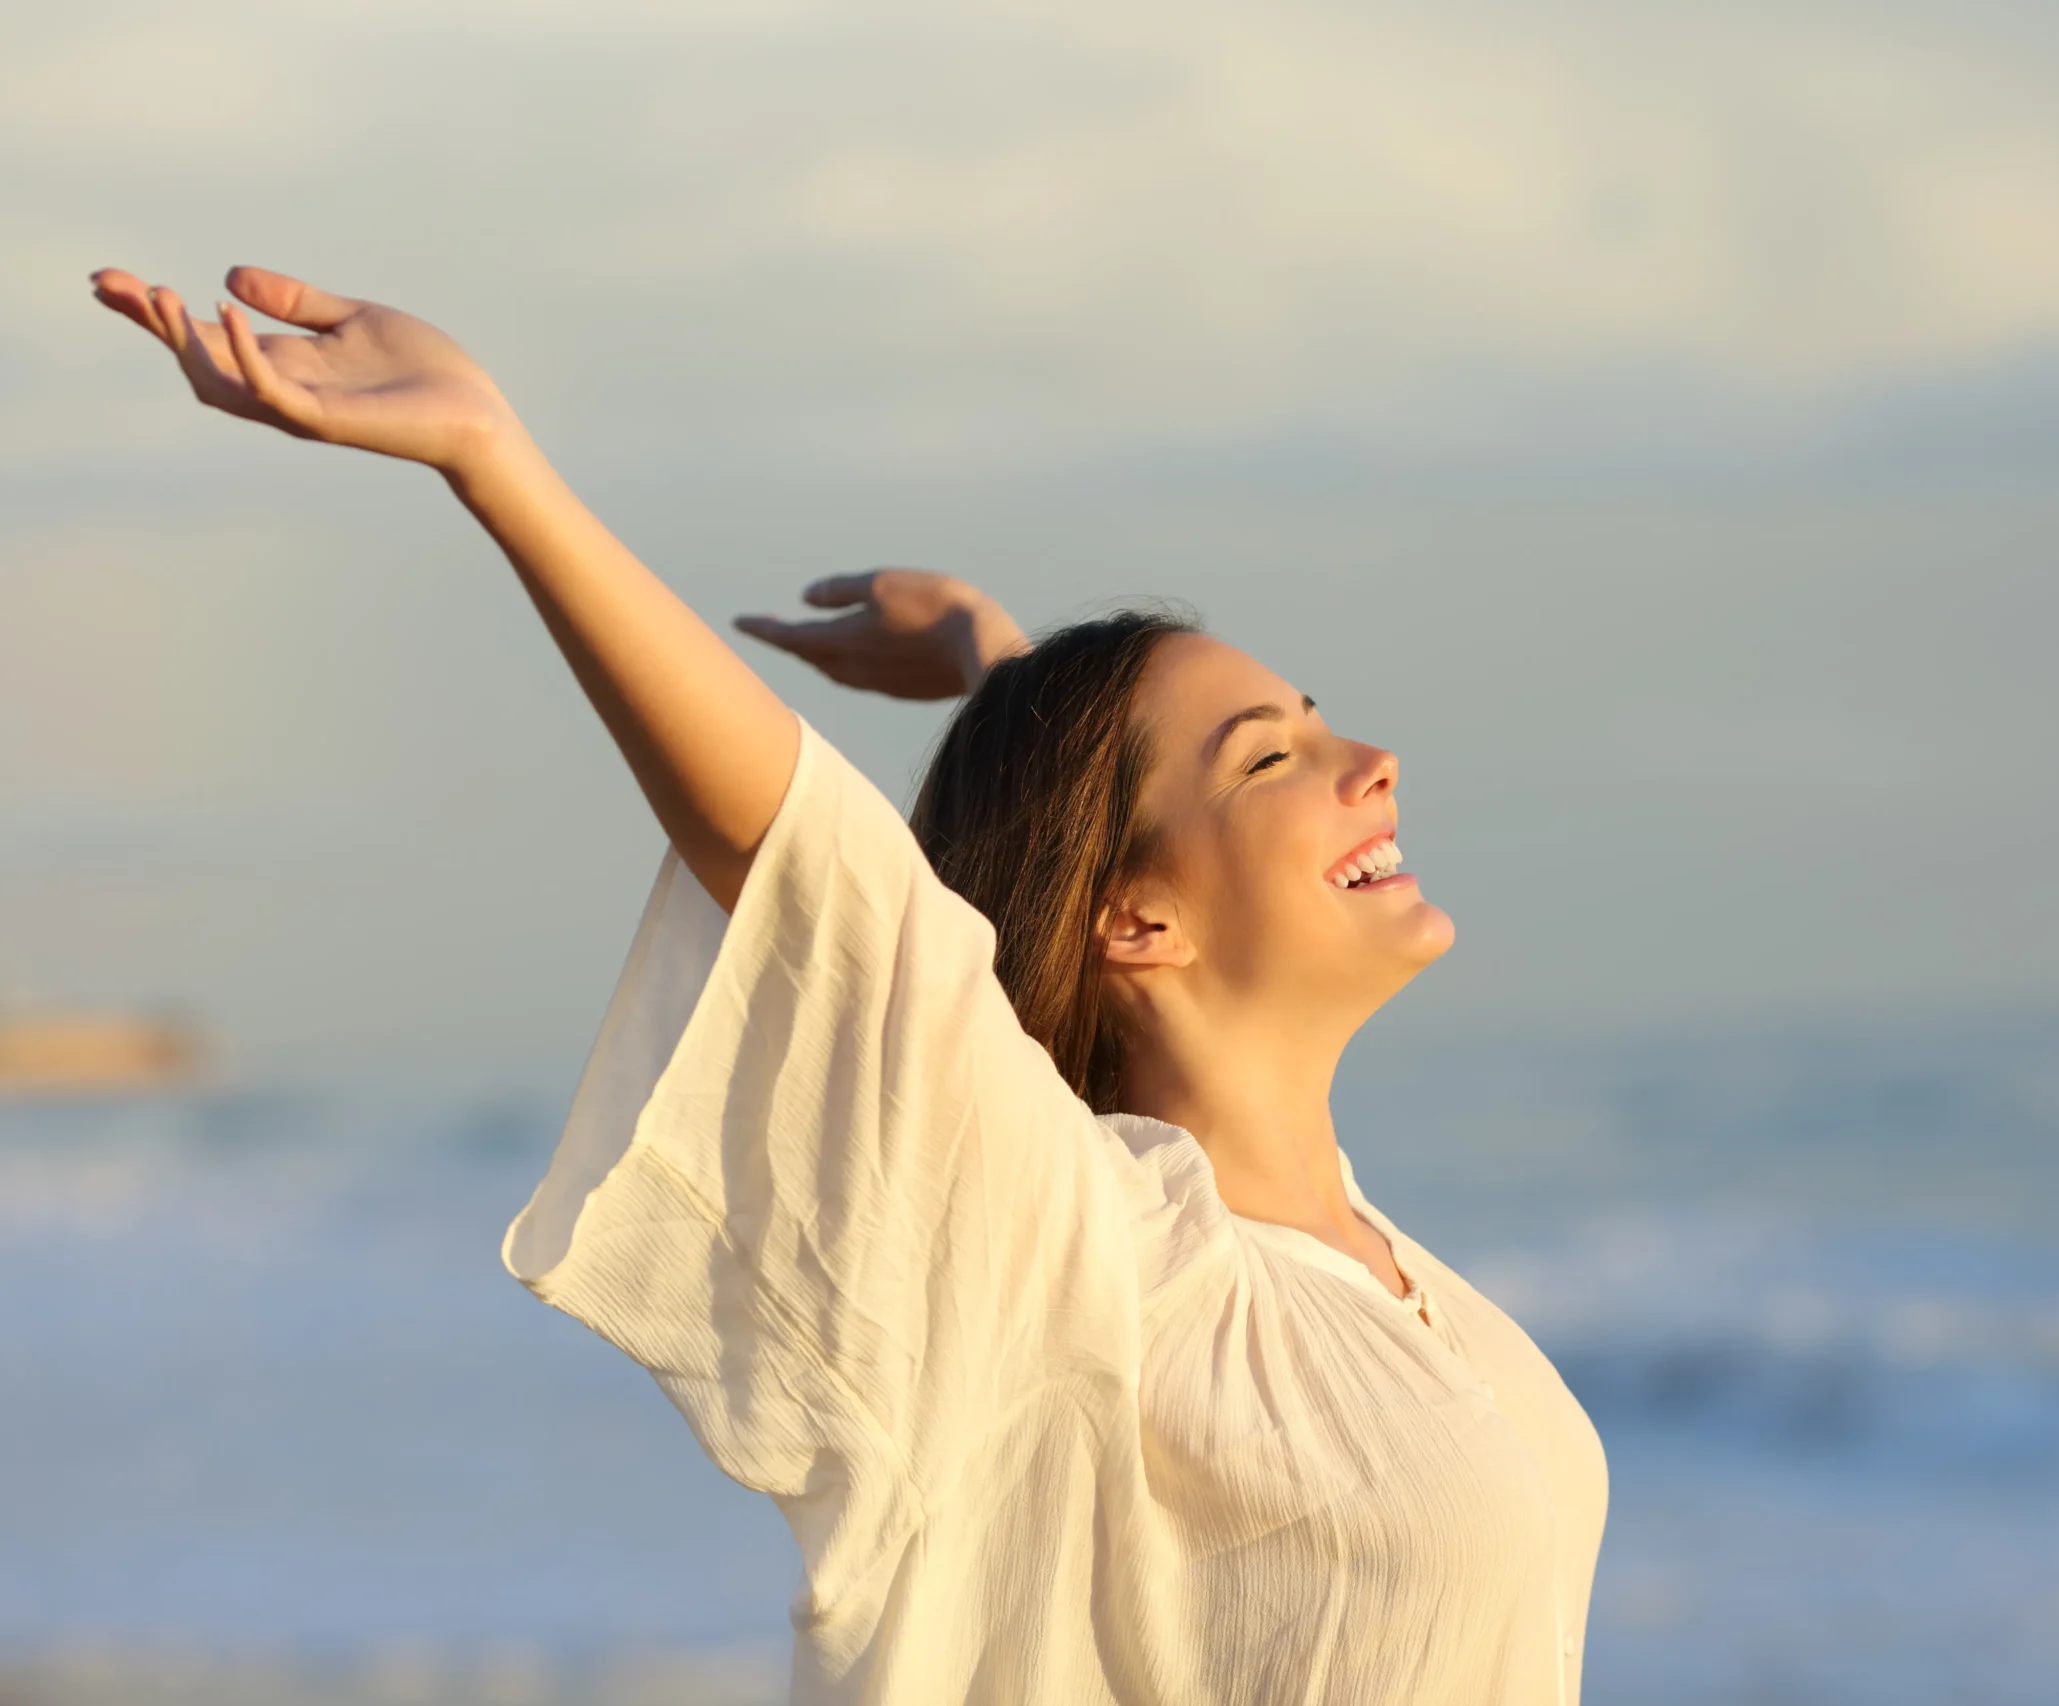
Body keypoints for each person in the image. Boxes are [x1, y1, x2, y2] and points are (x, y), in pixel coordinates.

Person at [90, 264, 1610, 1704]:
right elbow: (798, 853)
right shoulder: (1094, 1254)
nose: (1373, 764)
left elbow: (1061, 850)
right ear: (1136, 921)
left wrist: (997, 669)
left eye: (1314, 721)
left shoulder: (1367, 1265)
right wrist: (499, 469)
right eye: (1276, 756)